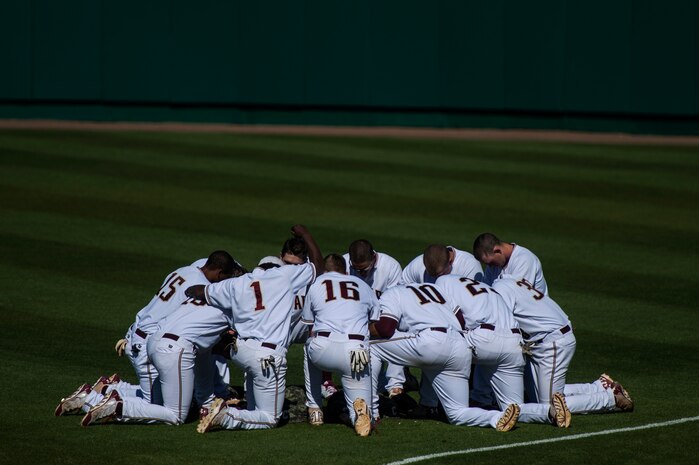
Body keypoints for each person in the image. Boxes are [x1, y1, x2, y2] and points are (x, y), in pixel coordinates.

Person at [55, 251, 240, 417]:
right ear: (218, 271)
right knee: (156, 406)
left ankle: (106, 389)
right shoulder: (199, 287)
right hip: (147, 343)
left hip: (140, 331)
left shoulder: (186, 270)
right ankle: (89, 400)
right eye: (224, 276)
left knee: (166, 394)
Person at [196, 225, 324, 432]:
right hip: (268, 355)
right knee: (271, 418)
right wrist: (307, 235)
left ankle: (240, 405)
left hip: (241, 351)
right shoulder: (283, 277)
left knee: (256, 403)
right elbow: (318, 266)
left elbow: (199, 291)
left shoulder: (237, 283)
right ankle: (226, 415)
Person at [368, 282, 520, 432]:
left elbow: (385, 329)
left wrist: (364, 329)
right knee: (457, 413)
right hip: (460, 346)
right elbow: (460, 320)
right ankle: (496, 417)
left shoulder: (392, 292)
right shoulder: (436, 288)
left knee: (369, 344)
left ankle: (371, 410)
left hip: (430, 343)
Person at [435, 274, 571, 427]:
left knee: (444, 348)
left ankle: (435, 402)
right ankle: (549, 412)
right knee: (515, 407)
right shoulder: (486, 288)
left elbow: (458, 318)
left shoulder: (442, 283)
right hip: (514, 343)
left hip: (484, 339)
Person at [491, 277, 633, 414]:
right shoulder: (509, 281)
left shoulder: (499, 289)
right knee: (536, 400)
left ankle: (611, 399)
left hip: (552, 342)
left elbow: (505, 322)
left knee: (550, 407)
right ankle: (599, 386)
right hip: (547, 339)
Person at [301, 254, 380, 436]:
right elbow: (374, 320)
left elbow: (309, 324)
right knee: (358, 399)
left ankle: (315, 410)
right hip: (355, 350)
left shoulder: (317, 284)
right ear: (346, 271)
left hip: (324, 349)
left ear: (326, 271)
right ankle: (358, 415)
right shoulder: (363, 285)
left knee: (309, 343)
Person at [473, 233, 548, 295]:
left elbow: (518, 295)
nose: (490, 266)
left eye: (491, 262)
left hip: (536, 311)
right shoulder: (493, 265)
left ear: (497, 251)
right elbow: (486, 292)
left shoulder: (524, 260)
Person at [402, 244, 483, 285]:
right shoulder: (418, 264)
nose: (437, 279)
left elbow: (473, 301)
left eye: (440, 275)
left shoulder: (469, 265)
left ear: (450, 261)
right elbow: (402, 289)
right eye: (431, 275)